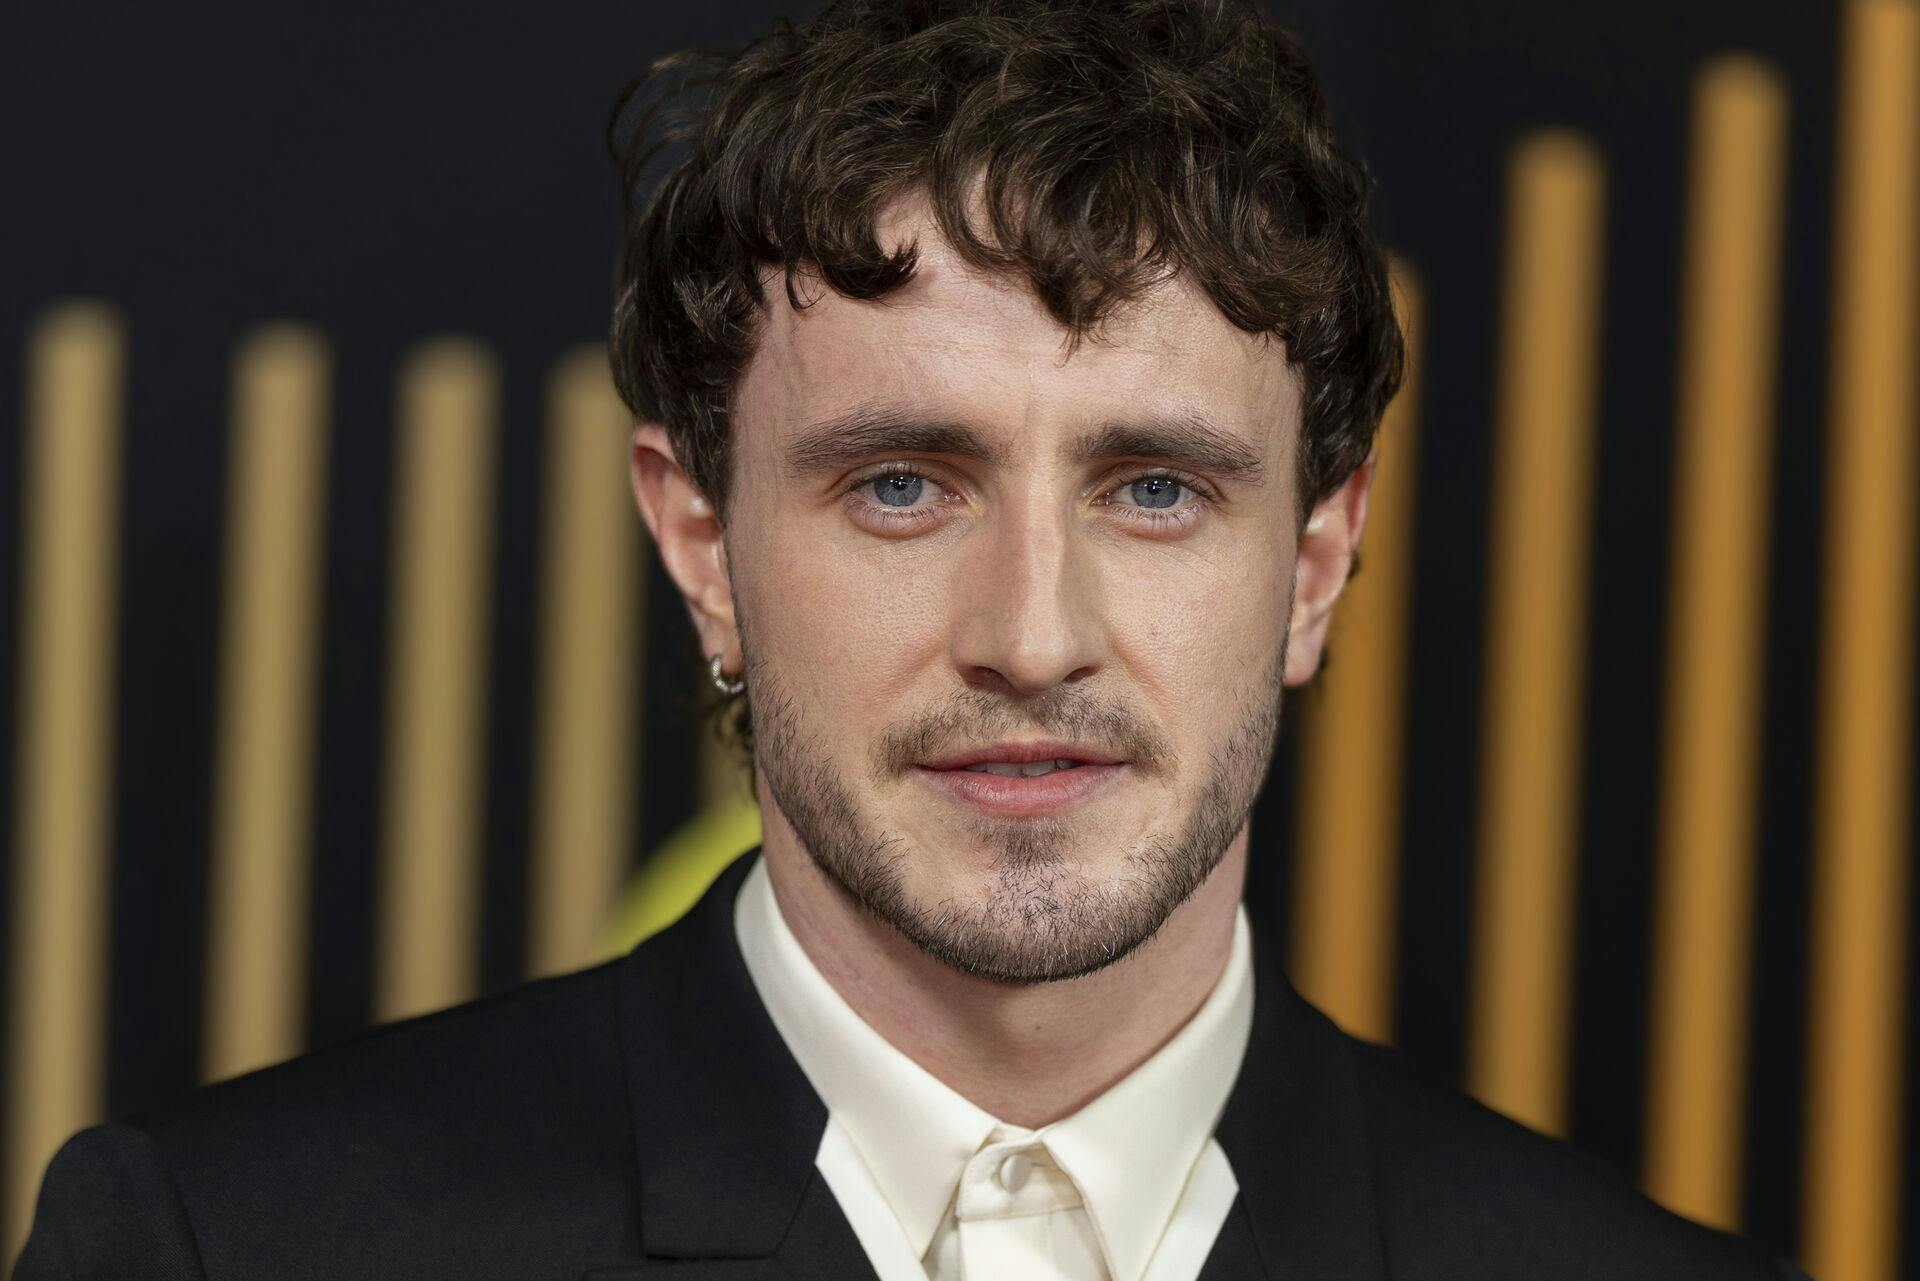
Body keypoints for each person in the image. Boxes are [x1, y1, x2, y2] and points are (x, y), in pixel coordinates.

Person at [16, 1, 1808, 1277]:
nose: (1032, 635)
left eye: (1158, 490)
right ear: (701, 538)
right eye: (901, 486)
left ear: (1321, 559)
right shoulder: (224, 1246)